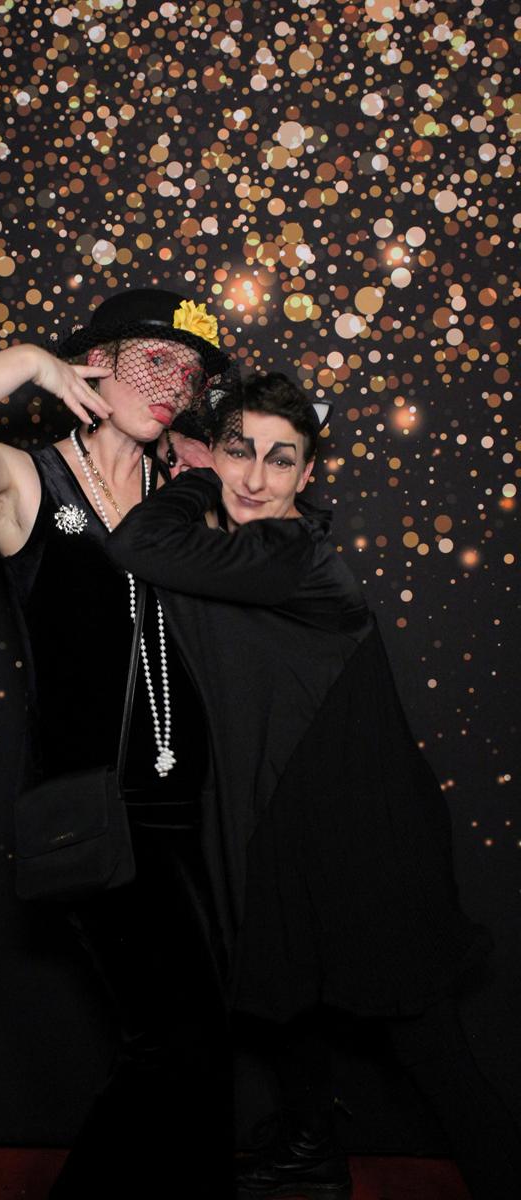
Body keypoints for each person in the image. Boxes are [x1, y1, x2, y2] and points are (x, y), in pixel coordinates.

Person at [107, 371, 521, 1200]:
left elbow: (137, 543)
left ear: (307, 473)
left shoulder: (291, 556)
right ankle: (310, 1152)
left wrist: (196, 478)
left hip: (369, 838)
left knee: (426, 1041)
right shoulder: (246, 551)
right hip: (284, 820)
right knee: (280, 989)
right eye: (240, 451)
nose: (255, 477)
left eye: (280, 459)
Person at [0, 287, 236, 1199]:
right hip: (100, 817)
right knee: (176, 1044)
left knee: (205, 1050)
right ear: (94, 364)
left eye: (190, 373)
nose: (176, 384)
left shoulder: (181, 491)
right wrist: (26, 362)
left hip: (194, 812)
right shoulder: (27, 481)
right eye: (154, 360)